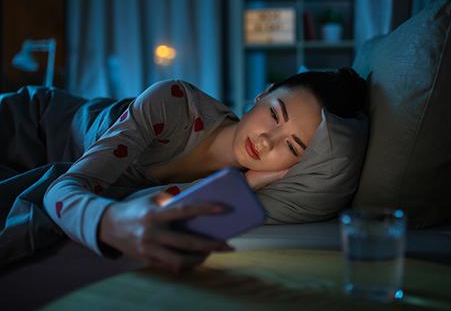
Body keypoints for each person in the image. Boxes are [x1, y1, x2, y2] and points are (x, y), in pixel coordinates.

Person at [39, 67, 367, 273]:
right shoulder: (173, 101)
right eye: (274, 114)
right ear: (262, 94)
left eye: (292, 147)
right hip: (41, 123)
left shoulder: (238, 188)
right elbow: (62, 188)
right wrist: (107, 222)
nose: (267, 142)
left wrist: (246, 183)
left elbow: (159, 205)